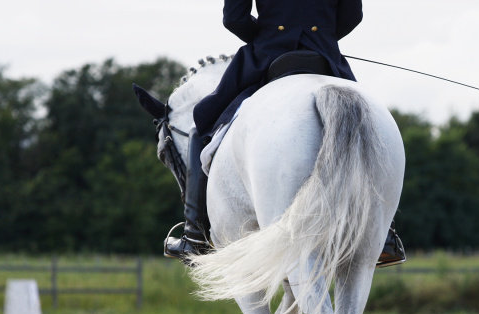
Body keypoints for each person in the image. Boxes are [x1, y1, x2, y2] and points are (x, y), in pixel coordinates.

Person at [164, 0, 406, 267]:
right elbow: (352, 16)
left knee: (201, 124)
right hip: (324, 55)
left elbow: (234, 18)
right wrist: (317, 36)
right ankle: (384, 236)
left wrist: (270, 35)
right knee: (367, 128)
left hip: (268, 55)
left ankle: (195, 235)